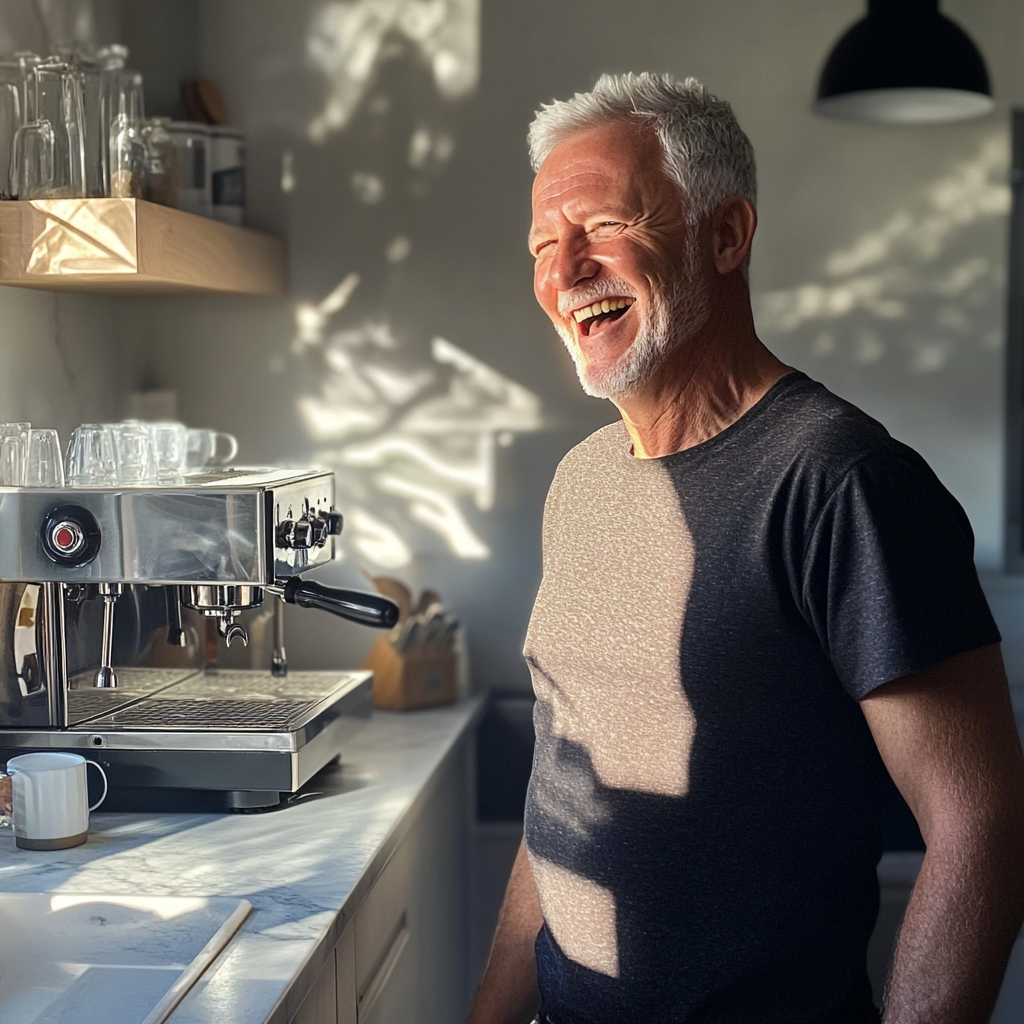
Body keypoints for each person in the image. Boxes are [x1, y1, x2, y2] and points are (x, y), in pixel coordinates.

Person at [467, 73, 1024, 1024]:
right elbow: (558, 803)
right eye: (541, 246)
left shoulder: (843, 482)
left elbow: (985, 828)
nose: (564, 274)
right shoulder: (584, 482)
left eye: (601, 226)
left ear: (725, 235)